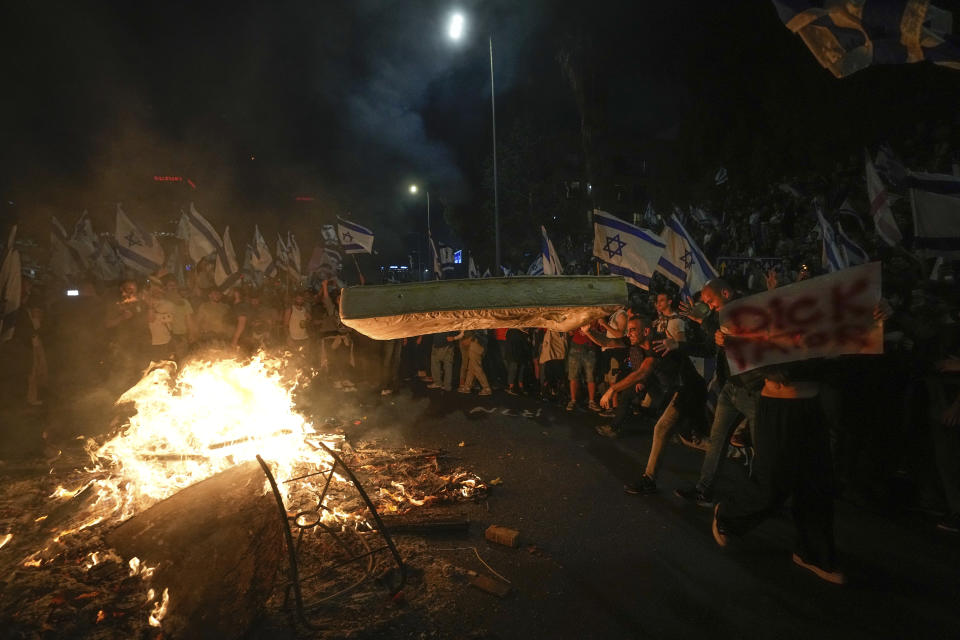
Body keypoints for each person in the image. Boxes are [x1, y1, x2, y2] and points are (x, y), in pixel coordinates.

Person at [674, 278, 763, 507]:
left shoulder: (750, 308)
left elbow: (758, 344)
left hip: (753, 389)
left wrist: (720, 333)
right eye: (705, 302)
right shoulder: (718, 316)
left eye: (710, 300)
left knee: (763, 448)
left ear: (725, 292)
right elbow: (711, 346)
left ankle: (761, 499)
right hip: (730, 388)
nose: (709, 305)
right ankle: (704, 490)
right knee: (717, 440)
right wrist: (702, 322)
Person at [567, 324, 600, 411]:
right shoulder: (579, 316)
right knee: (573, 375)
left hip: (590, 348)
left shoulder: (596, 317)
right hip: (576, 346)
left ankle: (591, 401)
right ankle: (573, 400)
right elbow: (570, 332)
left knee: (591, 376)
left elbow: (600, 332)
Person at [458, 329, 492, 396]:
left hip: (475, 342)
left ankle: (486, 388)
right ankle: (467, 387)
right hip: (479, 342)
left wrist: (469, 339)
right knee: (472, 367)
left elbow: (475, 331)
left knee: (476, 367)